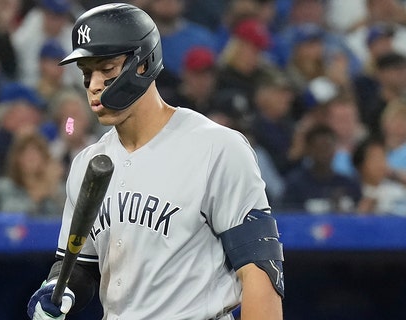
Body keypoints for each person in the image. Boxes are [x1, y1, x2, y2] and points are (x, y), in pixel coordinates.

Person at [27, 4, 283, 320]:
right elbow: (81, 265)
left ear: (143, 65)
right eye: (86, 73)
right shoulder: (87, 164)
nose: (94, 85)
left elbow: (261, 269)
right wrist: (59, 288)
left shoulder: (216, 147)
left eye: (106, 70)